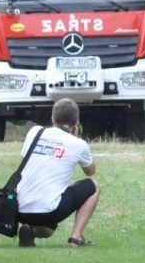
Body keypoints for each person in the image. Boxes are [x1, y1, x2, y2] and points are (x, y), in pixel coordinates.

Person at [15, 98, 100, 248]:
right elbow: (90, 171)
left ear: (53, 119)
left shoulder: (34, 132)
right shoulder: (78, 144)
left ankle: (29, 230)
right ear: (76, 123)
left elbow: (24, 163)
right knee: (93, 186)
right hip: (49, 209)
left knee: (48, 231)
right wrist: (77, 138)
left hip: (19, 209)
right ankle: (76, 238)